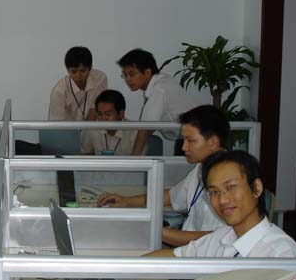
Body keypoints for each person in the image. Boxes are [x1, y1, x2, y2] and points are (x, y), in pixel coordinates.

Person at [145, 150, 296, 280]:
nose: (222, 200)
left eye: (230, 187)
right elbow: (172, 257)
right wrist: (130, 268)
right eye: (214, 192)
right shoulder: (222, 237)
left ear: (256, 188)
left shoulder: (281, 254)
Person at [97, 105, 228, 246]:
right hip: (189, 249)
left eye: (190, 140)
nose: (184, 147)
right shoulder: (201, 168)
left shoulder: (226, 182)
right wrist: (126, 201)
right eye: (183, 140)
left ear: (213, 142)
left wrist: (149, 229)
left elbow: (211, 240)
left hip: (202, 254)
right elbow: (172, 196)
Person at [117, 49, 198, 156]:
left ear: (147, 73)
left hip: (197, 139)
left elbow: (144, 130)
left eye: (131, 74)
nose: (127, 79)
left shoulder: (159, 89)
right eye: (125, 75)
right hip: (188, 137)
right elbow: (149, 127)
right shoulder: (160, 83)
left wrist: (134, 161)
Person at [48, 46, 108, 121]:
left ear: (90, 68)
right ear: (67, 70)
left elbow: (95, 109)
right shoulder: (59, 92)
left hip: (91, 125)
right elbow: (57, 123)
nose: (78, 76)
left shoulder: (100, 79)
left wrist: (87, 128)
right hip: (66, 127)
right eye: (73, 71)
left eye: (82, 71)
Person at [80, 90, 136, 156]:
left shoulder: (134, 133)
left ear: (121, 114)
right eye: (100, 114)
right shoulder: (91, 129)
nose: (103, 118)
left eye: (108, 114)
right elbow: (84, 155)